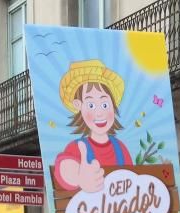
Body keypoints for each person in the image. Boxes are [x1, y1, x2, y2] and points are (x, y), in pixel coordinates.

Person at [53, 59, 131, 193]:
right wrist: (79, 177)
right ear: (79, 106)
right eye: (91, 105)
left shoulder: (121, 148)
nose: (99, 113)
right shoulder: (78, 148)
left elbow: (133, 179)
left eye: (105, 104)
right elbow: (64, 167)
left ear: (113, 105)